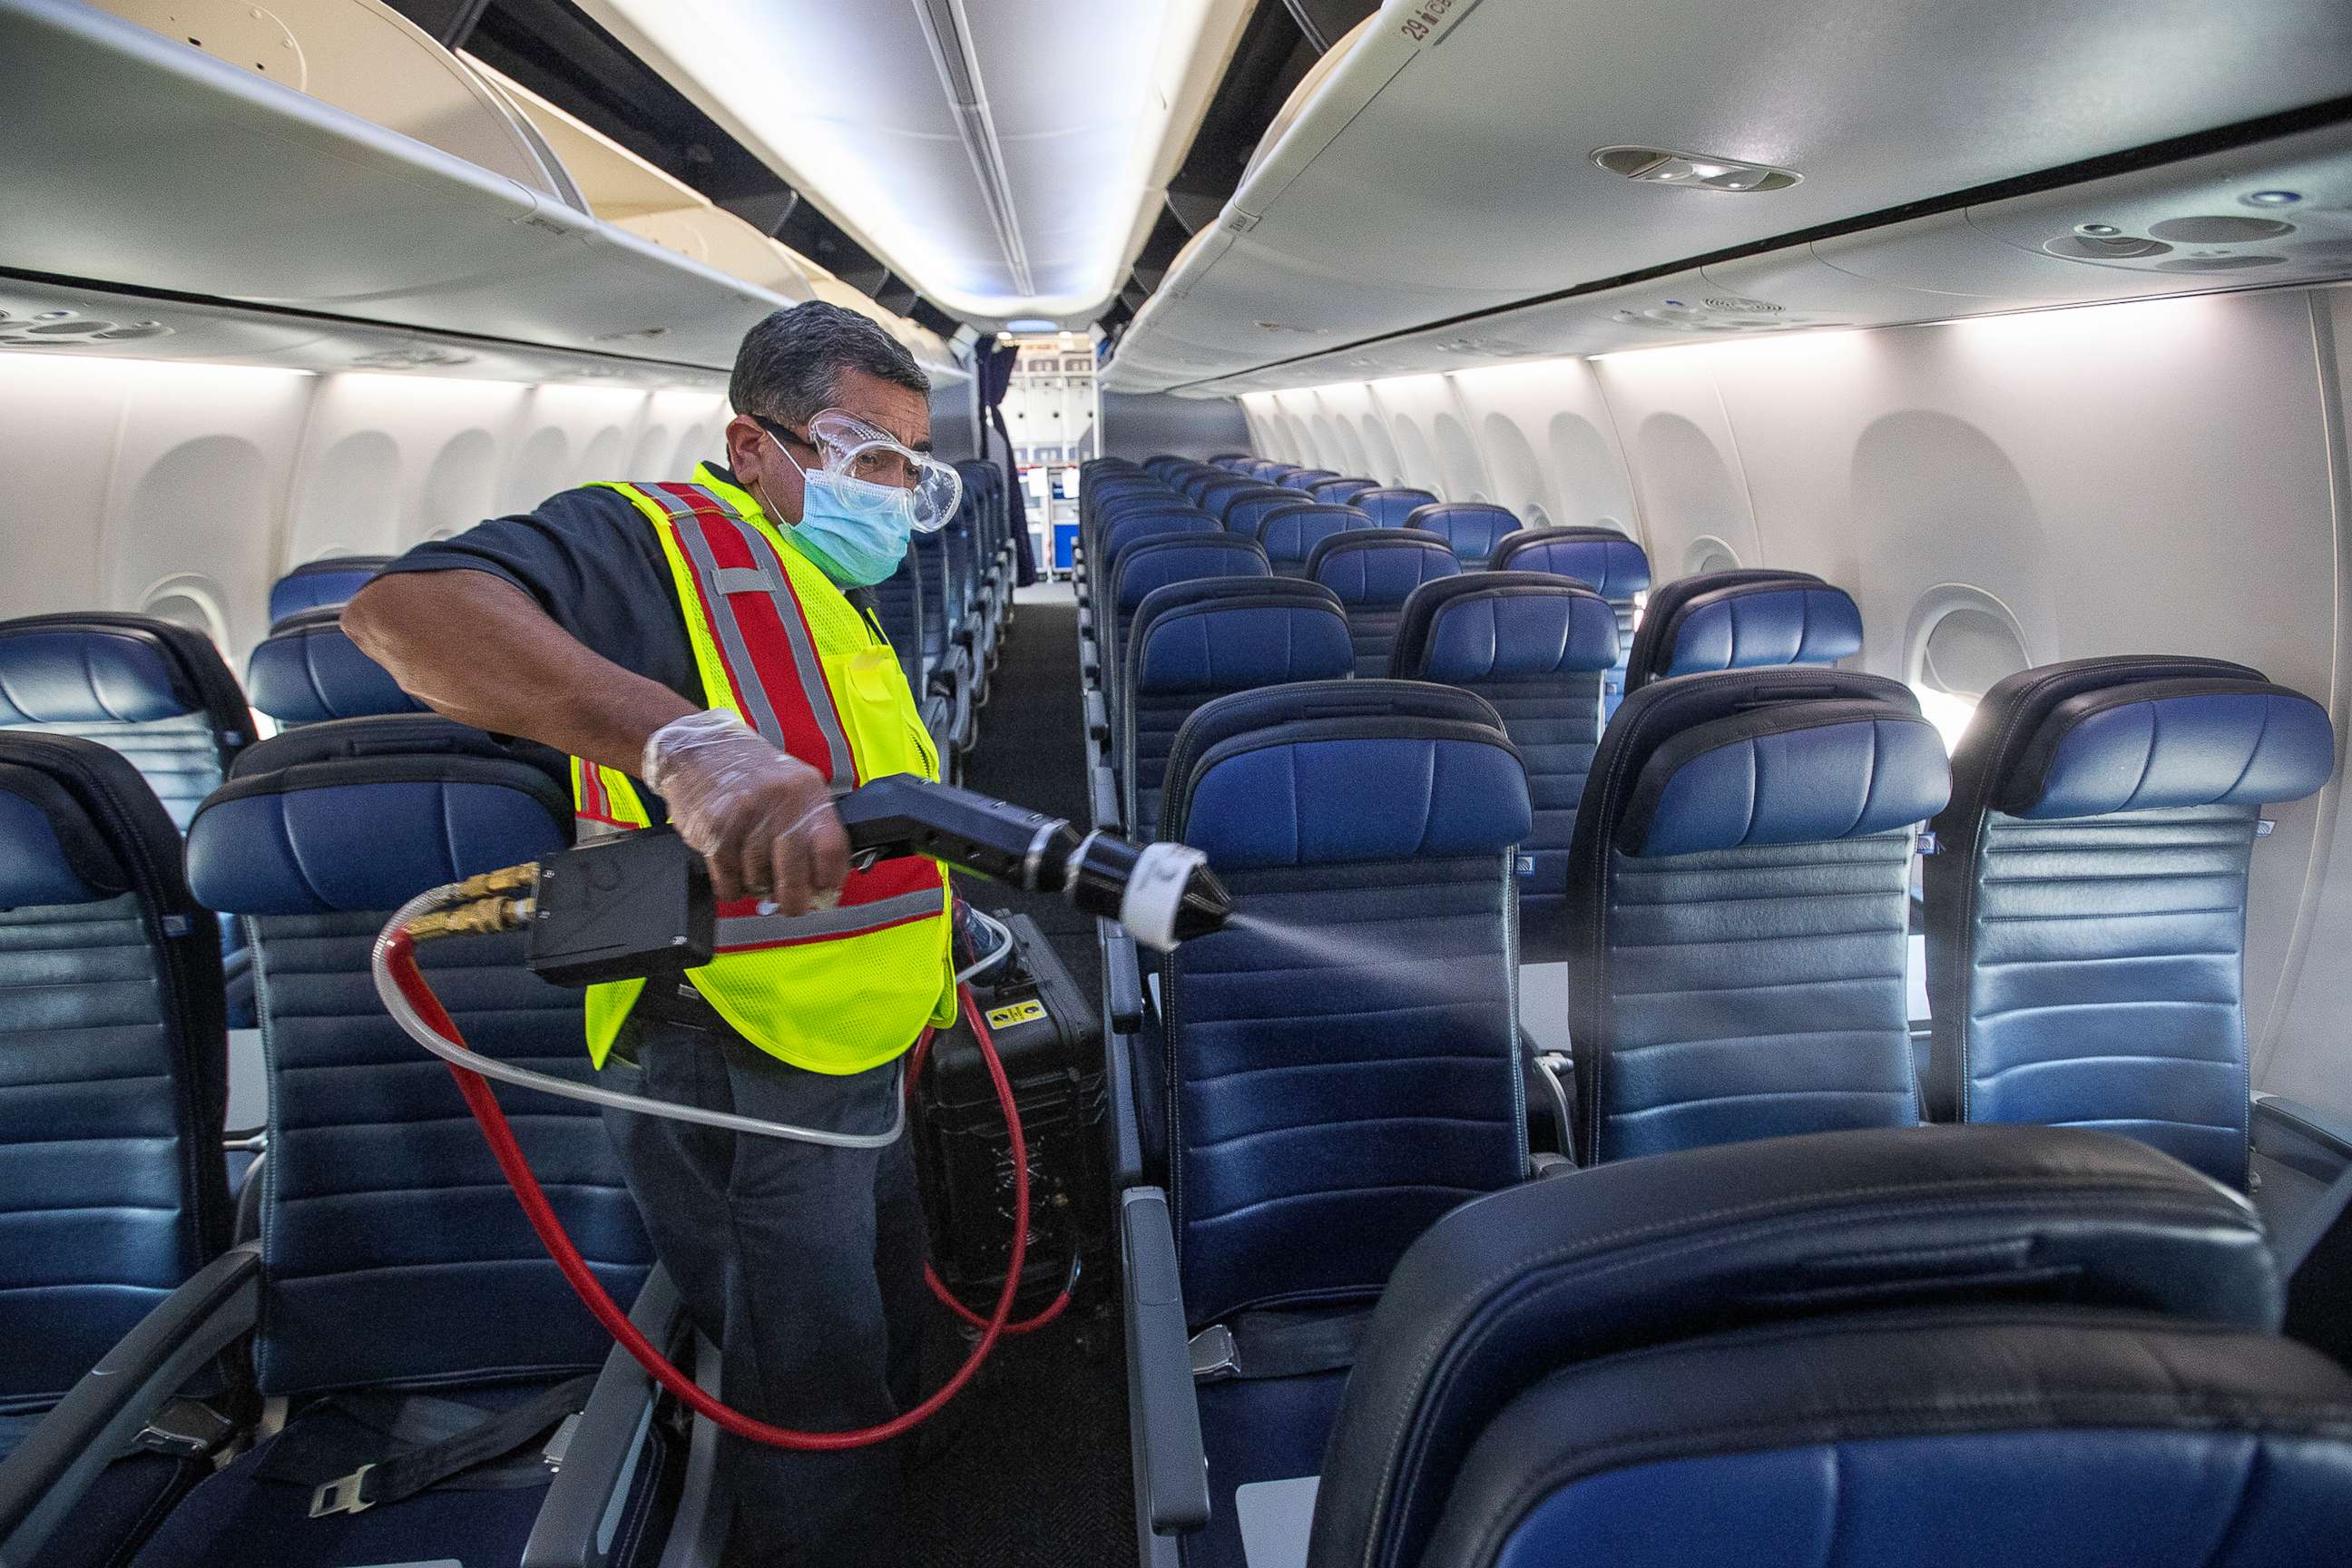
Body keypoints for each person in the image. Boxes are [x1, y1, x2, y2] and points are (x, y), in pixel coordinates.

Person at [344, 301, 964, 1565]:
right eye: (870, 458)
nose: (896, 494)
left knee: (874, 1327)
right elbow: (402, 614)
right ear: (754, 446)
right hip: (736, 1059)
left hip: (866, 1041)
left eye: (913, 464)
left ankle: (925, 1498)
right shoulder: (651, 539)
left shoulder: (827, 582)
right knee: (808, 1390)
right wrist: (675, 743)